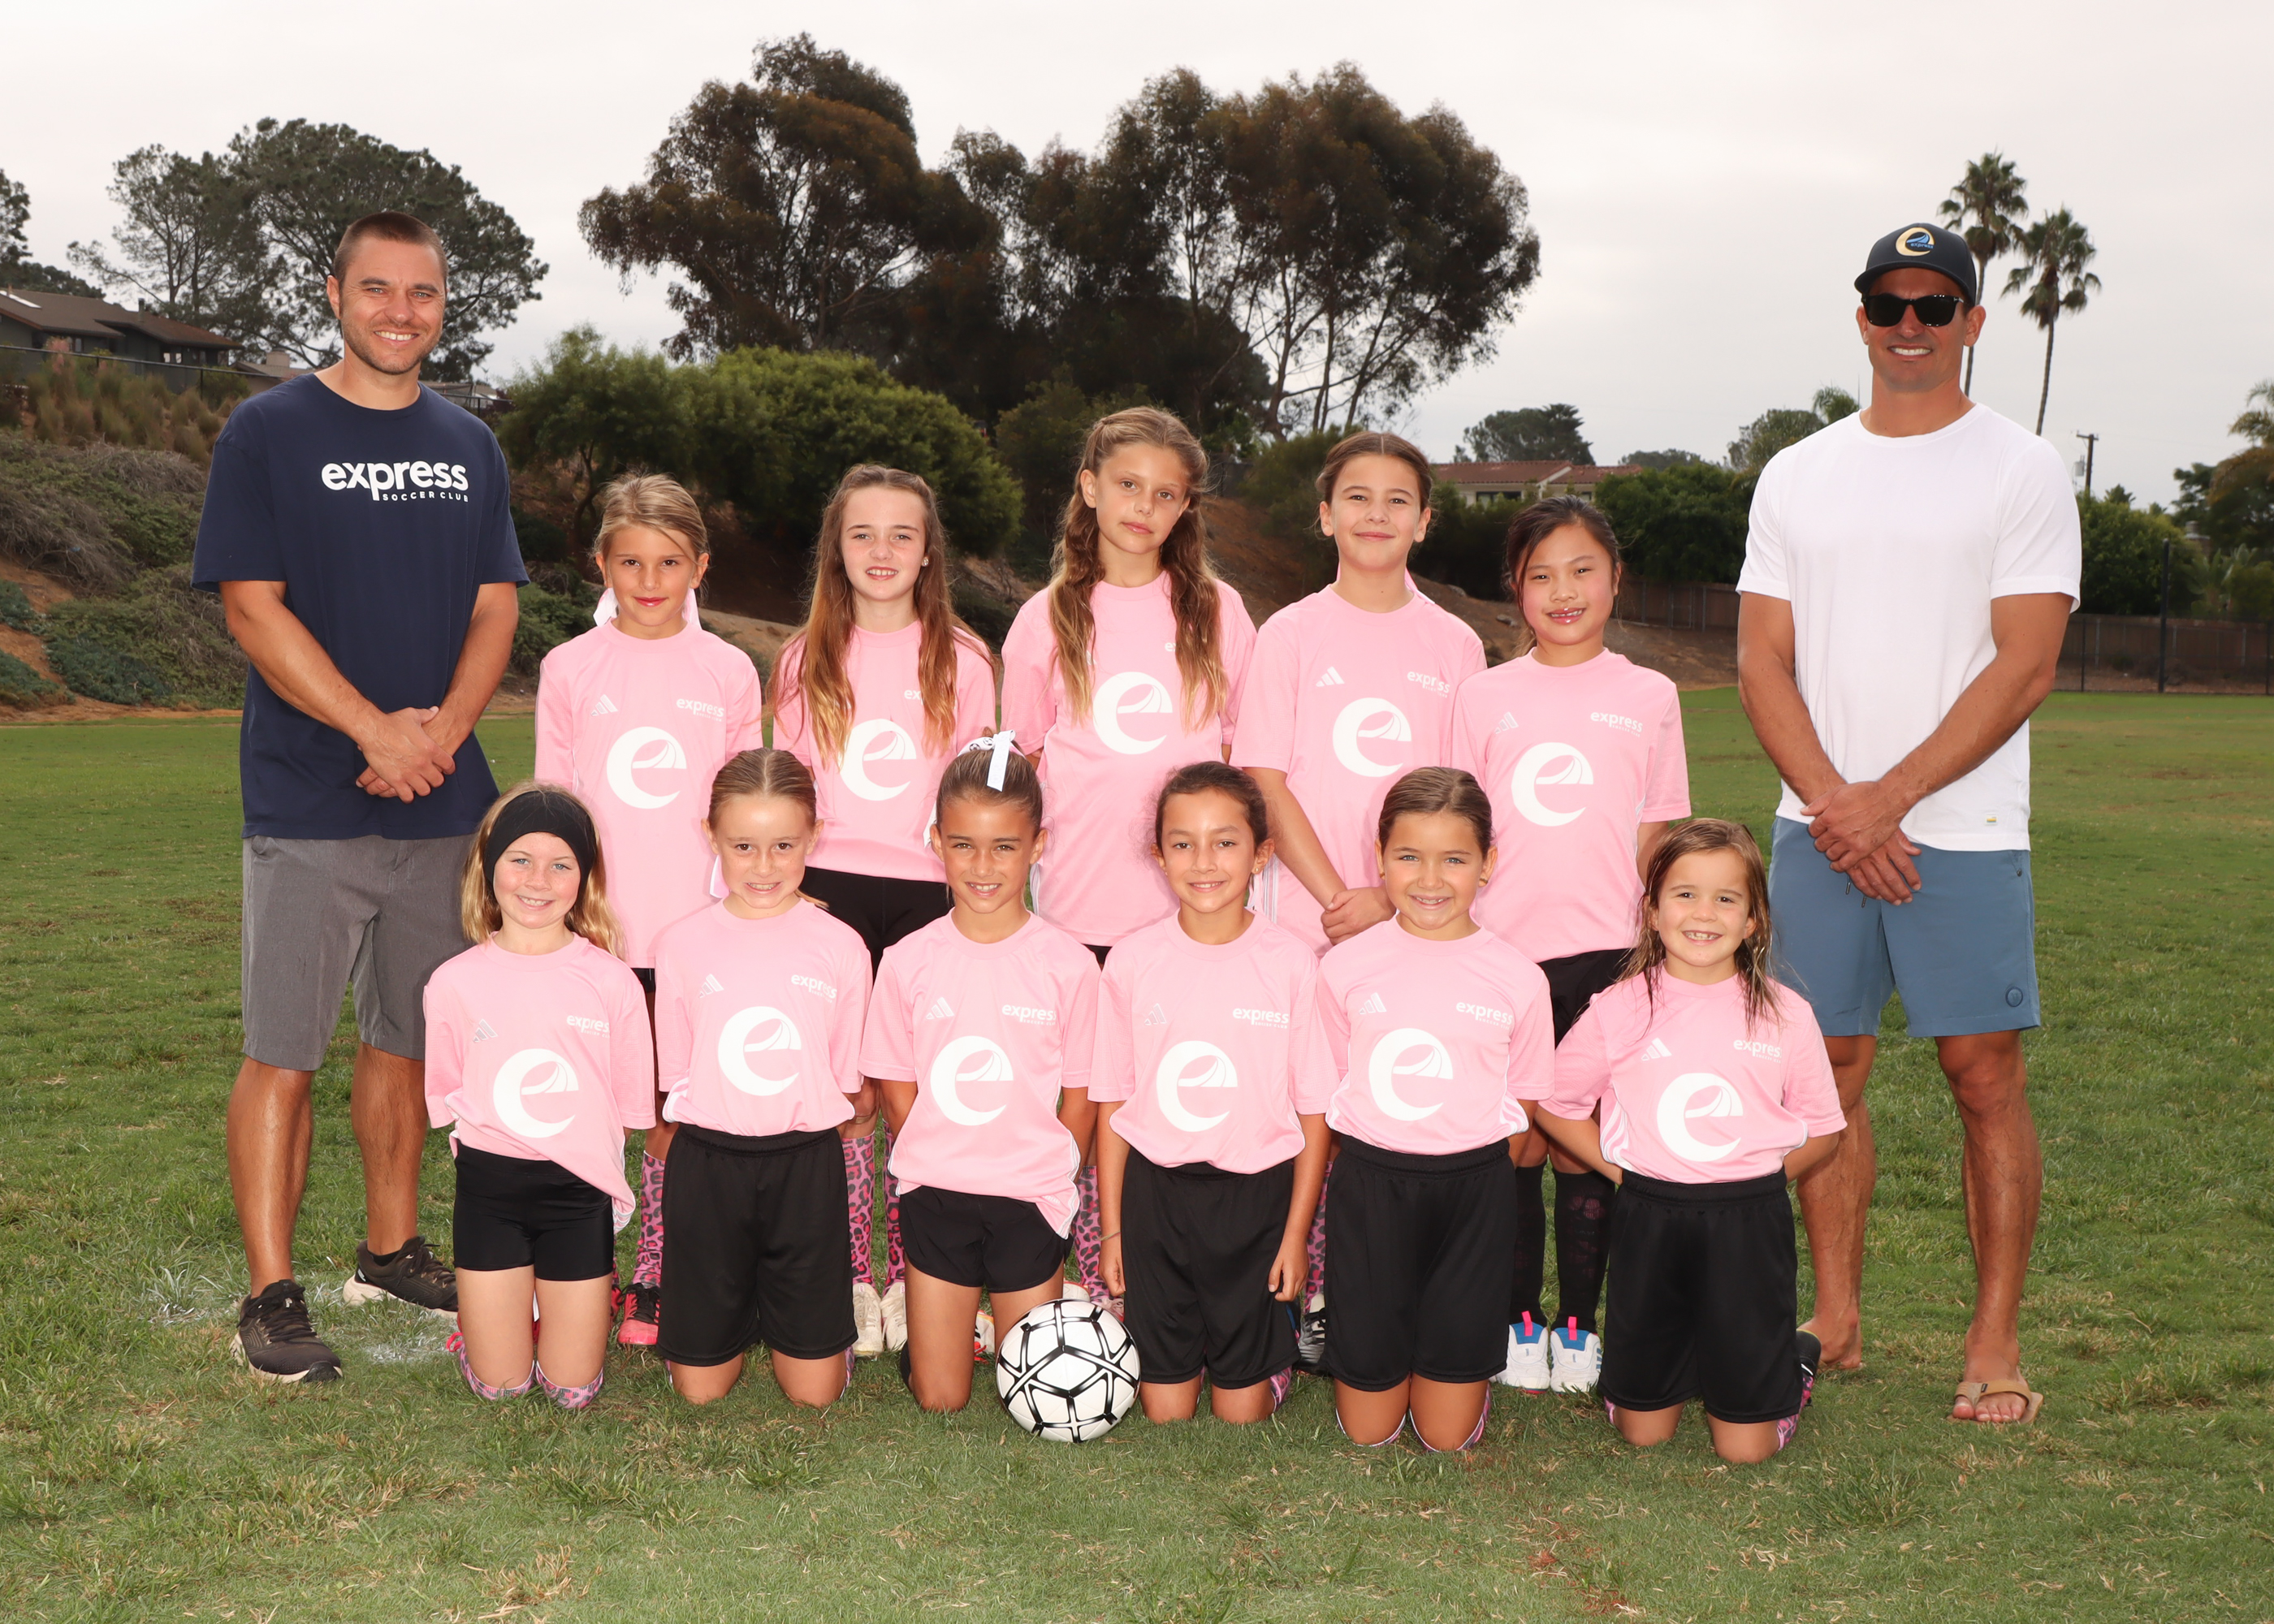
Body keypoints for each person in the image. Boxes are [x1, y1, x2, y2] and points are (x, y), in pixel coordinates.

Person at [1736, 221, 2078, 1425]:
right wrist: (1840, 806)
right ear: (1863, 320)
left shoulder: (2022, 468)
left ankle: (1994, 1338)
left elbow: (2025, 662)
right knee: (1825, 1070)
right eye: (1890, 305)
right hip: (1818, 826)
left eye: (1937, 305)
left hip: (1963, 830)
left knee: (1982, 1075)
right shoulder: (1797, 472)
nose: (1912, 326)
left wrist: (1886, 799)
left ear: (1973, 323)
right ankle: (1835, 1318)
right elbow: (1760, 659)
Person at [192, 210, 525, 1382]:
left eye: (421, 292)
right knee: (285, 1048)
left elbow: (495, 606)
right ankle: (271, 1294)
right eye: (376, 288)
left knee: (408, 1040)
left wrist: (441, 734)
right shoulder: (267, 430)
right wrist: (372, 729)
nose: (400, 311)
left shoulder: (470, 444)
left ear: (444, 304)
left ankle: (390, 1249)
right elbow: (251, 606)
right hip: (309, 795)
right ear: (334, 294)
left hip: (440, 797)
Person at [1232, 431, 1486, 1369]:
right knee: (1297, 1106)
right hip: (1305, 915)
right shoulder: (1289, 633)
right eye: (1356, 496)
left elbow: (1461, 795)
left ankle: (1363, 1296)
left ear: (1424, 521)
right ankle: (1282, 1291)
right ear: (1324, 514)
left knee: (1384, 1110)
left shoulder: (1455, 643)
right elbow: (1263, 773)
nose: (1375, 513)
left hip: (1412, 920)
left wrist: (1391, 895)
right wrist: (1339, 893)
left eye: (1396, 499)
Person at [1001, 407, 1256, 1311]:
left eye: (1166, 493)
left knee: (1176, 1094)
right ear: (1089, 488)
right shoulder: (1044, 617)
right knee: (1081, 1102)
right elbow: (1019, 764)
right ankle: (1077, 1278)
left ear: (1186, 508)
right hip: (1081, 909)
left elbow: (1243, 755)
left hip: (1192, 914)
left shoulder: (1218, 611)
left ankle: (1170, 1274)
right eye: (1127, 486)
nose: (1144, 507)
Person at [1450, 498, 1689, 1395]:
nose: (1563, 591)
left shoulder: (1649, 695)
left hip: (1610, 956)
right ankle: (1519, 1321)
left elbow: (1658, 828)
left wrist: (1653, 945)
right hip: (1503, 956)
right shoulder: (1483, 694)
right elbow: (1460, 825)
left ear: (1615, 578)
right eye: (1540, 574)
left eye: (1582, 570)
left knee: (1586, 1142)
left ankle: (1581, 1326)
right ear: (1515, 589)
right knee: (1515, 1140)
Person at [771, 466, 997, 1360]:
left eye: (902, 534)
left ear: (929, 551)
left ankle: (914, 1277)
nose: (882, 550)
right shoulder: (804, 657)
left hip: (927, 894)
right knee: (844, 1093)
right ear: (836, 548)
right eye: (862, 533)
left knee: (915, 1090)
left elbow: (977, 795)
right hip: (825, 889)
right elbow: (788, 789)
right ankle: (849, 1275)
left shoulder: (965, 659)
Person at [534, 474, 763, 1350]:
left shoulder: (728, 670)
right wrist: (558, 919)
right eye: (630, 561)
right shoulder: (569, 667)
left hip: (695, 936)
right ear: (602, 564)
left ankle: (659, 1278)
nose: (650, 580)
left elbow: (746, 807)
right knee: (586, 1107)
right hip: (593, 932)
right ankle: (576, 1273)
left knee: (673, 1112)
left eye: (669, 562)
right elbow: (554, 806)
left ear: (700, 566)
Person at [1535, 819, 1846, 1462]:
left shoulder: (1787, 1014)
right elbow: (1557, 1106)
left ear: (1754, 920)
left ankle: (1790, 1368)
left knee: (1746, 1451)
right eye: (1684, 895)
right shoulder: (1618, 1008)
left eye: (1726, 899)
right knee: (1643, 1434)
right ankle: (1676, 1365)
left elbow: (1824, 1130)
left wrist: (1756, 1184)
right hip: (1650, 1215)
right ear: (1652, 912)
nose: (1704, 914)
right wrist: (1623, 1173)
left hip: (1748, 1224)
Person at [858, 736, 1102, 1413]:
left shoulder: (1069, 965)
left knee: (1034, 1395)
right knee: (942, 1398)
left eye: (1004, 847)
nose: (983, 866)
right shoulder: (908, 961)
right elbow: (898, 1091)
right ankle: (935, 1334)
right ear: (936, 841)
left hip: (1030, 1197)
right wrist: (940, 1153)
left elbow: (1082, 1095)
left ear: (1038, 846)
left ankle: (1024, 1298)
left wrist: (1052, 1171)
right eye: (964, 845)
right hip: (938, 1192)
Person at [1316, 768, 1554, 1453]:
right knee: (1371, 1433)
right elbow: (1327, 1096)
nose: (1430, 879)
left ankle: (1451, 1347)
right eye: (1408, 856)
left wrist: (1465, 1175)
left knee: (1445, 1438)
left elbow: (1522, 1114)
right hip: (1371, 1189)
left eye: (1454, 859)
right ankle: (1375, 1334)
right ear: (1379, 858)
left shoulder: (1518, 979)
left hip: (1473, 1194)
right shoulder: (1344, 967)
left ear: (1488, 863)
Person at [1091, 762, 1334, 1424]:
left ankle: (1270, 1353)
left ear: (1261, 853)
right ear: (1159, 854)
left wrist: (1295, 1236)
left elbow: (1314, 1113)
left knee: (1239, 1413)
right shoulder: (1132, 961)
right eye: (1183, 843)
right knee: (1166, 1411)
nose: (1204, 861)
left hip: (1256, 1201)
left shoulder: (1291, 963)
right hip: (1157, 1200)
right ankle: (1194, 1340)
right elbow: (1112, 1105)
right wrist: (1112, 1231)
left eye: (1225, 842)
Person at [647, 750, 872, 1409]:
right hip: (708, 1169)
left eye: (784, 846)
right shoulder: (681, 943)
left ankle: (792, 1312)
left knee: (815, 1396)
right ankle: (730, 1305)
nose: (764, 866)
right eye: (743, 846)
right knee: (700, 1394)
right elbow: (678, 1076)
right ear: (711, 836)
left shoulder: (840, 945)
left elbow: (845, 1080)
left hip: (805, 1169)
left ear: (814, 837)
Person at [423, 786, 655, 1410]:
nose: (538, 881)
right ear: (488, 866)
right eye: (520, 860)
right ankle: (499, 1314)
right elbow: (450, 1095)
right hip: (489, 1198)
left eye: (560, 865)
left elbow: (628, 1110)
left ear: (585, 878)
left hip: (577, 1200)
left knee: (571, 1390)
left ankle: (565, 1297)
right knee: (502, 1388)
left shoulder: (613, 984)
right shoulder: (452, 983)